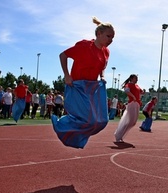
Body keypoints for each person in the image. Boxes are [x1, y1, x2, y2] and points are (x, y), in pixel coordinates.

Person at [52, 16, 115, 149]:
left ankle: (76, 137)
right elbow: (63, 55)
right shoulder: (84, 46)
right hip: (77, 85)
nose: (111, 40)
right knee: (88, 119)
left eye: (112, 37)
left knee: (102, 121)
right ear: (99, 34)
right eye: (108, 36)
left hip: (93, 87)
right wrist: (67, 75)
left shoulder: (106, 52)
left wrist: (102, 76)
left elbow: (102, 67)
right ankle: (61, 125)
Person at [114, 74, 144, 142]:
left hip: (137, 104)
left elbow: (141, 92)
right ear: (131, 78)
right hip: (132, 103)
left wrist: (142, 93)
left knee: (133, 122)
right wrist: (133, 96)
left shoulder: (137, 86)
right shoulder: (129, 85)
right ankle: (118, 135)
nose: (137, 79)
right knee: (129, 121)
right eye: (135, 78)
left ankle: (120, 135)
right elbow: (126, 91)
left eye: (137, 78)